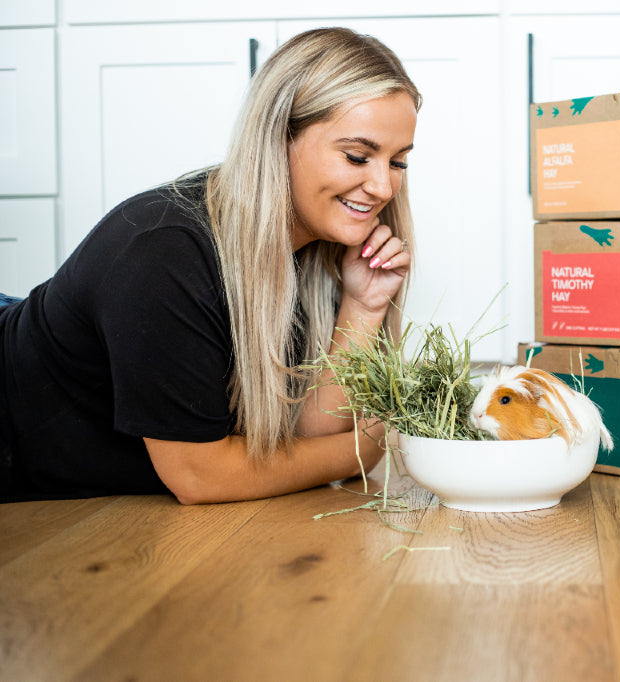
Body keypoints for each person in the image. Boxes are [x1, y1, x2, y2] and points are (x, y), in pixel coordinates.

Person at [0, 28, 420, 504]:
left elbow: (305, 446)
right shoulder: (163, 251)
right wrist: (362, 450)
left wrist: (362, 305)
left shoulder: (326, 242)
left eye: (398, 163)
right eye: (358, 157)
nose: (383, 188)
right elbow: (201, 475)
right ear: (279, 138)